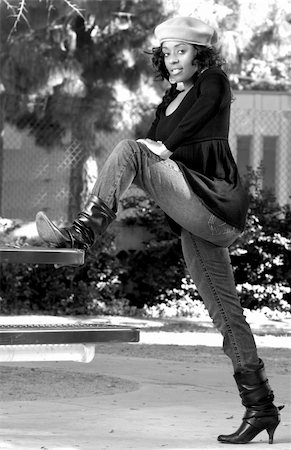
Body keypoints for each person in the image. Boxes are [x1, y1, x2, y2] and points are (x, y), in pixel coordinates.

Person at [36, 16, 283, 445]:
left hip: (214, 204)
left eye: (181, 51)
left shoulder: (215, 83)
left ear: (199, 55)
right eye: (166, 53)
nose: (172, 59)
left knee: (130, 147)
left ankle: (84, 232)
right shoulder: (167, 100)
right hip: (192, 215)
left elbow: (167, 140)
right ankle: (260, 407)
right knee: (226, 313)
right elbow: (144, 163)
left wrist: (162, 148)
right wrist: (153, 155)